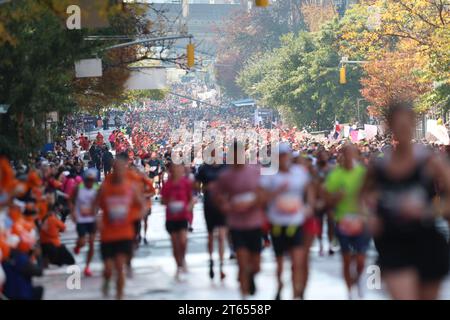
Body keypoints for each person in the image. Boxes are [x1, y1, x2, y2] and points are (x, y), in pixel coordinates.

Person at [360, 102, 450, 299]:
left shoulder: (430, 162)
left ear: (413, 125)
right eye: (398, 125)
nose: (403, 130)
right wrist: (369, 217)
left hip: (427, 242)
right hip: (393, 243)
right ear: (390, 127)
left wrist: (430, 211)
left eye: (407, 125)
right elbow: (361, 197)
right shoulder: (380, 167)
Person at [260, 143, 315, 299]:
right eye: (280, 155)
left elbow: (309, 188)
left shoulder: (299, 172)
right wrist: (277, 191)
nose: (284, 158)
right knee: (279, 263)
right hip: (277, 224)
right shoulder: (269, 175)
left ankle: (296, 292)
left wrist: (309, 205)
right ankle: (279, 284)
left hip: (295, 222)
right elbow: (262, 198)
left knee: (297, 261)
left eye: (286, 155)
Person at [215, 142, 265, 298]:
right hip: (236, 225)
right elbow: (217, 196)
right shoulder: (225, 176)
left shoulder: (255, 171)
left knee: (256, 266)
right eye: (234, 156)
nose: (237, 159)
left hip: (255, 223)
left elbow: (264, 193)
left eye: (240, 155)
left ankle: (251, 276)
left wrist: (253, 201)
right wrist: (226, 206)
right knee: (242, 264)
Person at [95, 153, 143, 299]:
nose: (120, 172)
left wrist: (138, 214)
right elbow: (95, 205)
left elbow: (141, 204)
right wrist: (97, 221)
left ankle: (119, 295)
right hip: (108, 233)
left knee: (119, 267)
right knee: (108, 269)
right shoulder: (106, 186)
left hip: (124, 232)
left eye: (122, 168)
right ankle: (107, 280)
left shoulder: (131, 186)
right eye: (117, 168)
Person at [325, 144, 369, 299]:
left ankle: (357, 280)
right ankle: (350, 292)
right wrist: (337, 197)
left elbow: (372, 195)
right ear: (341, 156)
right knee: (346, 259)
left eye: (353, 154)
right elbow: (327, 200)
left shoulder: (363, 173)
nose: (350, 157)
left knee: (360, 261)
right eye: (347, 154)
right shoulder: (335, 175)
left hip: (361, 221)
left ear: (357, 156)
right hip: (342, 221)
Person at [195, 151, 228, 281]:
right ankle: (211, 260)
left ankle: (221, 264)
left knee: (221, 235)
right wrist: (207, 187)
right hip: (209, 204)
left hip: (222, 205)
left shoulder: (225, 167)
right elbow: (197, 186)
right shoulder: (204, 168)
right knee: (210, 235)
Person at [161, 162, 194, 281]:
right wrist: (168, 201)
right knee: (175, 244)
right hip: (171, 217)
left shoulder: (186, 183)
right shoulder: (167, 185)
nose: (178, 171)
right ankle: (178, 265)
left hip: (183, 216)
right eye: (175, 169)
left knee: (183, 241)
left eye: (179, 169)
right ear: (171, 171)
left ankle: (183, 258)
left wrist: (189, 207)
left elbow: (191, 199)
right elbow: (162, 201)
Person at [71, 169, 99, 277]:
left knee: (91, 243)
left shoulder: (96, 188)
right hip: (81, 219)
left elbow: (100, 200)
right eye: (88, 180)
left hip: (92, 219)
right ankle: (78, 246)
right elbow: (70, 200)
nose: (89, 182)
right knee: (82, 242)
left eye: (92, 180)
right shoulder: (78, 188)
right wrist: (73, 212)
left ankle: (87, 267)